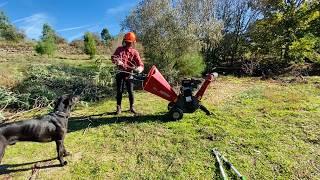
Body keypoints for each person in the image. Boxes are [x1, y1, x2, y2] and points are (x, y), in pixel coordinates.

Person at [111, 32, 144, 115]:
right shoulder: (119, 49)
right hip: (120, 72)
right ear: (125, 41)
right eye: (127, 42)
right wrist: (117, 61)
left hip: (129, 74)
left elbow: (140, 64)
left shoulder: (134, 52)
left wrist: (139, 69)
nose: (129, 44)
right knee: (119, 91)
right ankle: (119, 107)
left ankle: (132, 107)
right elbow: (113, 57)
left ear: (133, 43)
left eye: (130, 42)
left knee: (131, 91)